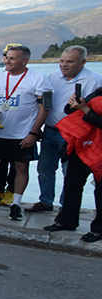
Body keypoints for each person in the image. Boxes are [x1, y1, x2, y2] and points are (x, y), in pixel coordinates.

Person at [0, 45, 49, 220]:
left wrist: (34, 133)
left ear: (24, 61)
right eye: (6, 57)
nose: (7, 61)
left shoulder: (38, 78)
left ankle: (16, 204)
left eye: (12, 58)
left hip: (22, 134)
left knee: (21, 167)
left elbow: (44, 109)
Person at [28, 46, 102, 213]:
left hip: (74, 135)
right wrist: (37, 127)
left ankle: (65, 207)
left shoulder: (95, 81)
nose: (64, 65)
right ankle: (45, 201)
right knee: (45, 169)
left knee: (70, 173)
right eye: (62, 61)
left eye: (70, 61)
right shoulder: (52, 77)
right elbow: (44, 105)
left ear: (83, 62)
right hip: (51, 129)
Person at [44, 84, 102, 242]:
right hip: (82, 146)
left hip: (98, 149)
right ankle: (67, 220)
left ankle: (98, 229)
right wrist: (73, 104)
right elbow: (70, 112)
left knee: (100, 191)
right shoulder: (98, 92)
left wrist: (85, 110)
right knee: (72, 184)